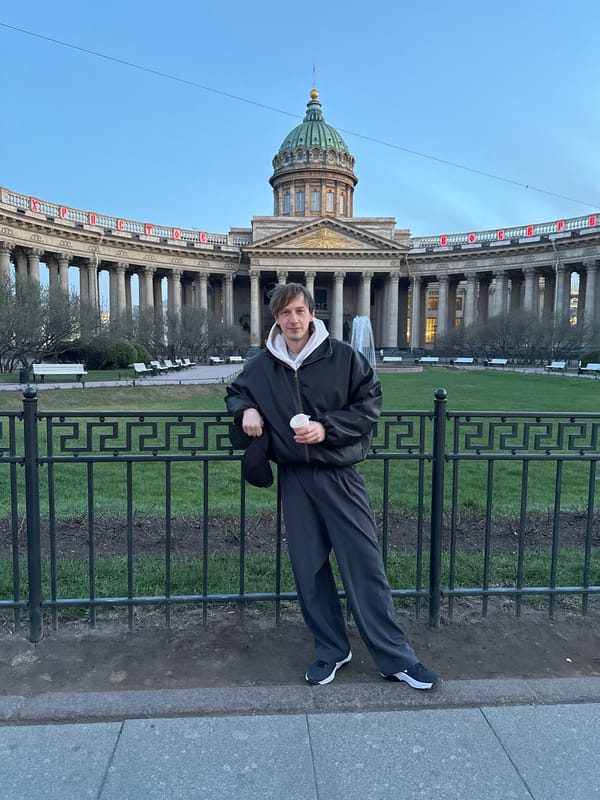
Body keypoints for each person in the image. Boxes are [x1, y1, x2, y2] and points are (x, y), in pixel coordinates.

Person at [225, 283, 439, 689]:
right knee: (309, 570)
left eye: (299, 311)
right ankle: (331, 649)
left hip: (339, 474)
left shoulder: (342, 357)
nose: (293, 320)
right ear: (276, 319)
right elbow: (235, 392)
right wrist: (246, 408)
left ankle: (396, 658)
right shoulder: (263, 364)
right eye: (284, 313)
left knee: (364, 565)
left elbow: (369, 405)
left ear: (311, 314)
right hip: (295, 478)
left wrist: (326, 428)